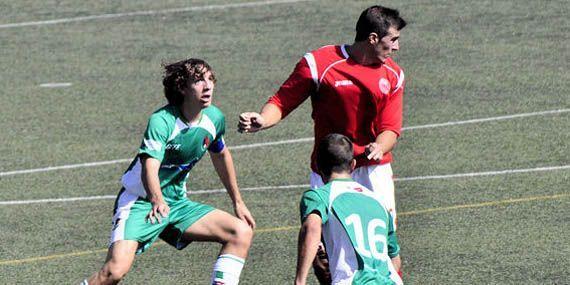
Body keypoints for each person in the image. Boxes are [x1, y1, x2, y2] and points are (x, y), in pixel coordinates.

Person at [83, 58, 256, 285]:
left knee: (240, 232)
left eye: (210, 79)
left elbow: (221, 155)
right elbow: (149, 166)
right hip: (141, 203)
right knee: (113, 272)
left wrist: (238, 201)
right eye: (199, 81)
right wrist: (156, 200)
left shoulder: (214, 118)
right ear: (182, 88)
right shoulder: (161, 121)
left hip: (176, 203)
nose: (208, 86)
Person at [238, 5, 407, 228]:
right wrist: (263, 120)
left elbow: (391, 128)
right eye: (393, 39)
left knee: (383, 245)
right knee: (323, 249)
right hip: (329, 169)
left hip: (372, 170)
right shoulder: (319, 63)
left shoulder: (393, 75)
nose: (397, 47)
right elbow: (282, 101)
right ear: (373, 38)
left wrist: (379, 146)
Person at [295, 134, 402, 285]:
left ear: (318, 167)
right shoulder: (379, 201)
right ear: (353, 165)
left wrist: (300, 280)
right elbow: (394, 259)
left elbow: (311, 228)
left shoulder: (319, 196)